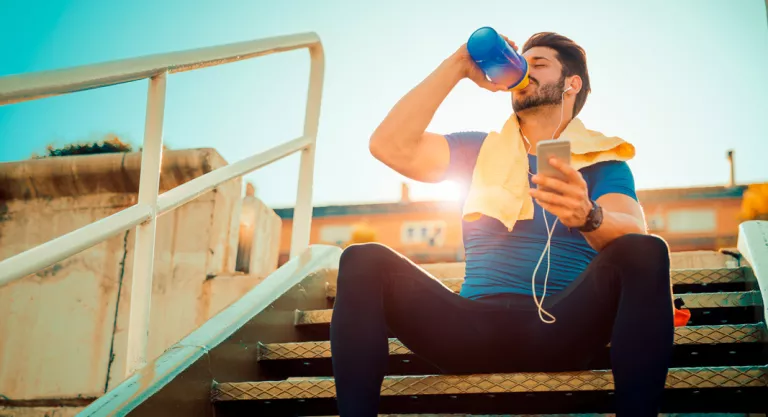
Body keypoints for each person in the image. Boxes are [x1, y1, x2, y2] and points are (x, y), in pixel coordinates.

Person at [330, 32, 673, 417]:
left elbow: (634, 234)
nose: (525, 72)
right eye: (521, 64)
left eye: (538, 64)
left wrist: (588, 215)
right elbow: (388, 146)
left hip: (561, 327)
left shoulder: (603, 162)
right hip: (470, 329)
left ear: (572, 84)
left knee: (647, 249)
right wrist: (457, 66)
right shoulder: (479, 150)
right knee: (362, 259)